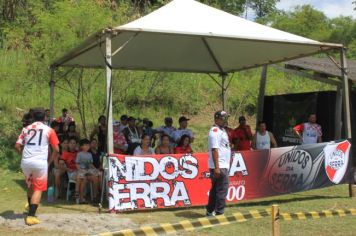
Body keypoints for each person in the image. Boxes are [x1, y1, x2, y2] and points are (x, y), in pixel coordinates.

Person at [15, 108, 59, 226]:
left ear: (33, 117)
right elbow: (56, 149)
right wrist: (49, 162)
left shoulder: (26, 129)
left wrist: (23, 156)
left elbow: (17, 146)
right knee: (38, 188)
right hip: (40, 162)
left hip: (26, 162)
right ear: (45, 117)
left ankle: (30, 209)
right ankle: (31, 216)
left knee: (30, 185)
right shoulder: (49, 130)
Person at [206, 111, 231, 216]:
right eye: (223, 118)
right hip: (219, 165)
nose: (226, 120)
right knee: (222, 189)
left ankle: (210, 211)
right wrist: (217, 167)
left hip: (221, 165)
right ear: (217, 119)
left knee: (216, 190)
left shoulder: (222, 130)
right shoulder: (215, 131)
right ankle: (219, 212)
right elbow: (214, 150)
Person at [75, 139, 100, 203]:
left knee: (96, 178)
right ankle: (80, 196)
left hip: (88, 170)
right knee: (83, 178)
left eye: (88, 145)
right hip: (81, 170)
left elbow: (90, 164)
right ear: (81, 146)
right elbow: (77, 164)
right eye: (85, 145)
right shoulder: (79, 154)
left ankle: (95, 196)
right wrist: (80, 170)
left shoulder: (90, 154)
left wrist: (95, 169)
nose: (87, 147)